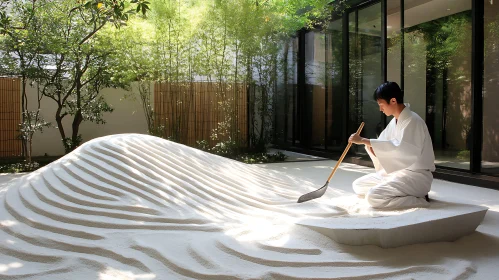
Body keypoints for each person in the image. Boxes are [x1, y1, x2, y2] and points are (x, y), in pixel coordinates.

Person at [348, 81, 436, 209]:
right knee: (358, 185)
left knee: (373, 197)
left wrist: (364, 140)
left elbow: (401, 149)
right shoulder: (395, 121)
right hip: (396, 173)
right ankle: (399, 192)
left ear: (393, 101)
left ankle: (419, 200)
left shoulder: (413, 120)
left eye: (381, 104)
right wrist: (371, 146)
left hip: (416, 177)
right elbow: (383, 145)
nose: (380, 109)